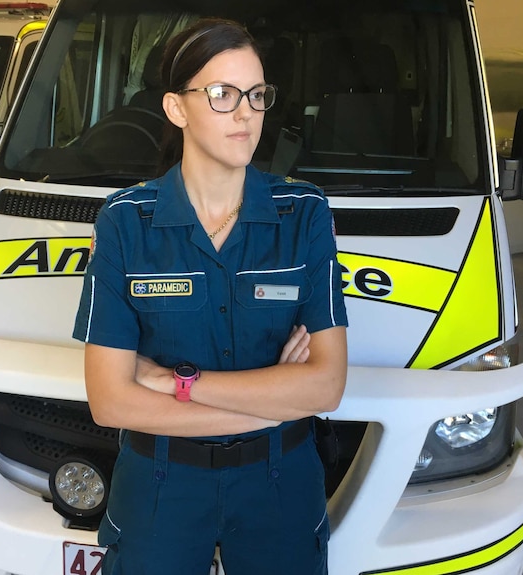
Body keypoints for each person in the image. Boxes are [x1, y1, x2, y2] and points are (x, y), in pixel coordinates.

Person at [73, 17, 348, 575]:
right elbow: (111, 402)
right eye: (222, 94)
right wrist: (272, 402)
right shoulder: (127, 222)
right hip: (160, 485)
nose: (246, 113)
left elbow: (326, 385)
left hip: (279, 485)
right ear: (177, 109)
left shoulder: (304, 214)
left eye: (256, 94)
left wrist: (179, 385)